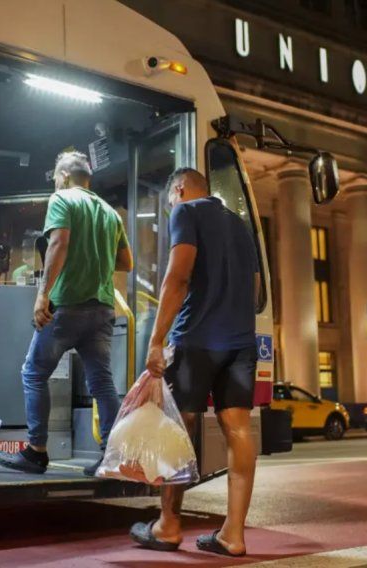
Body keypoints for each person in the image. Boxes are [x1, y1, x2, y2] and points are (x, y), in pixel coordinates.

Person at [129, 168, 259, 558]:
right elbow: (252, 290)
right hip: (240, 342)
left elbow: (177, 276)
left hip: (197, 339)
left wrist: (156, 340)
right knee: (238, 429)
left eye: (171, 200)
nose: (171, 207)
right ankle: (232, 534)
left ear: (180, 190)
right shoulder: (240, 225)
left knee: (178, 426)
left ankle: (168, 525)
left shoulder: (187, 212)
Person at [0, 151, 132, 477]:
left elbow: (58, 243)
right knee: (101, 382)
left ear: (66, 177)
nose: (55, 182)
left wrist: (43, 295)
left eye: (56, 176)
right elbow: (126, 262)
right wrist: (94, 258)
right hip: (101, 308)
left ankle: (36, 451)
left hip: (67, 306)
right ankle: (111, 456)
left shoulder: (62, 199)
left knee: (33, 372)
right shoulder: (111, 213)